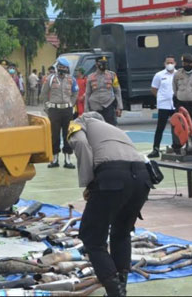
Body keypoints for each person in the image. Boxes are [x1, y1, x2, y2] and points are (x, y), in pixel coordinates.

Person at [67, 112, 151, 297]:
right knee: (121, 233)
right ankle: (121, 287)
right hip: (142, 178)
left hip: (113, 177)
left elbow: (80, 144)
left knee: (92, 238)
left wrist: (90, 183)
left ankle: (115, 292)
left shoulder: (78, 123)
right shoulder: (113, 129)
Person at [41, 57, 78, 169]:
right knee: (54, 135)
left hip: (67, 110)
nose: (63, 69)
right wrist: (47, 106)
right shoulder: (50, 79)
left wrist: (71, 104)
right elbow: (43, 93)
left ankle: (67, 159)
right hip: (54, 110)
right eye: (61, 67)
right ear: (58, 67)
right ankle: (54, 159)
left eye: (65, 67)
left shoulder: (71, 79)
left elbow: (75, 93)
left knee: (68, 134)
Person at [148, 55, 179, 158]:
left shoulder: (179, 74)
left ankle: (177, 147)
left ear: (175, 63)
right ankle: (155, 149)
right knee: (160, 128)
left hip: (175, 105)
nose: (170, 64)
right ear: (164, 64)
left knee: (176, 128)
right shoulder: (159, 75)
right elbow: (154, 88)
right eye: (167, 62)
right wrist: (160, 97)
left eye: (171, 62)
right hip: (164, 105)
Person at [85, 56, 123, 126]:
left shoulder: (112, 75)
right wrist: (86, 109)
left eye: (105, 63)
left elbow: (117, 91)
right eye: (101, 63)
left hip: (108, 104)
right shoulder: (90, 77)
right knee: (96, 128)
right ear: (96, 64)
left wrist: (119, 107)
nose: (103, 65)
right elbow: (87, 93)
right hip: (95, 106)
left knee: (111, 127)